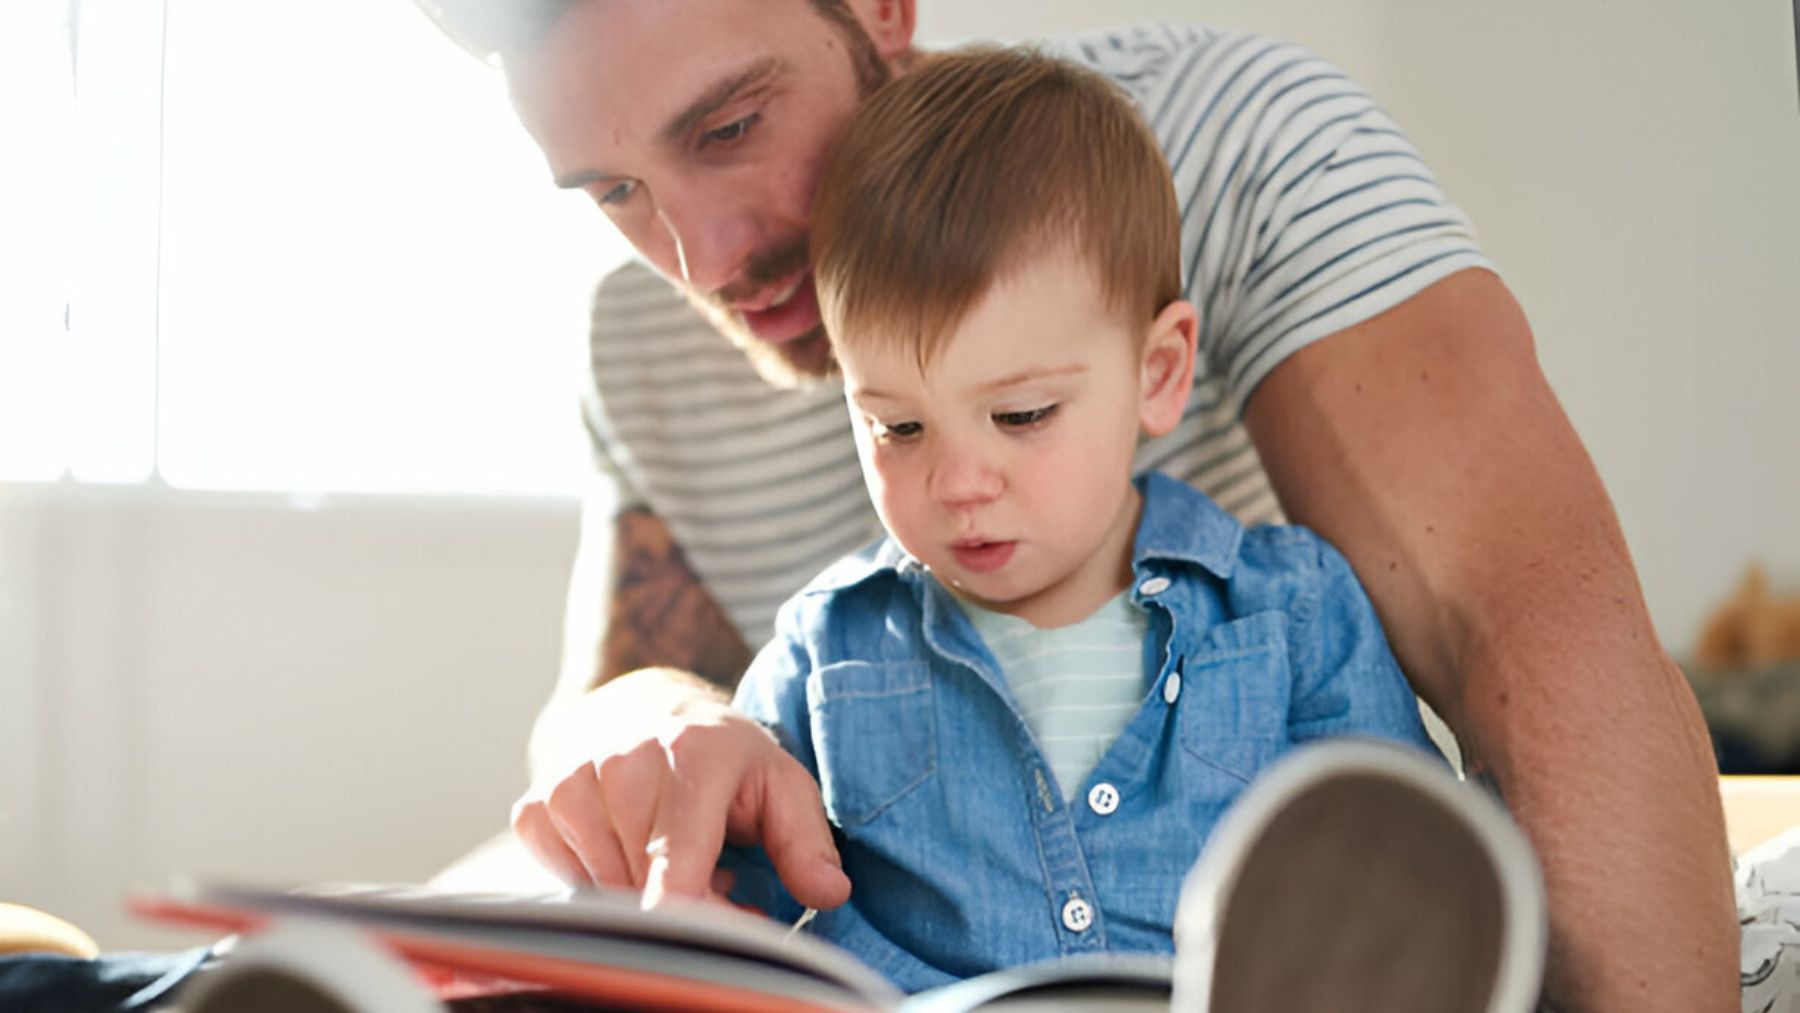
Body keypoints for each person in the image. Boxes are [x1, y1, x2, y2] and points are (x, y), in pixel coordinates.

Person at [415, 1, 1737, 1009]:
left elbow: (1538, 637)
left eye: (728, 129)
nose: (698, 259)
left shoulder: (1235, 147)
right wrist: (668, 729)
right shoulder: (635, 343)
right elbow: (612, 701)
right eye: (612, 192)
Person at [708, 45, 1447, 990]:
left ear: (1158, 373)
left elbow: (1416, 883)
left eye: (1021, 416)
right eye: (897, 426)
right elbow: (718, 928)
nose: (959, 482)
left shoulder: (1288, 612)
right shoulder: (827, 649)